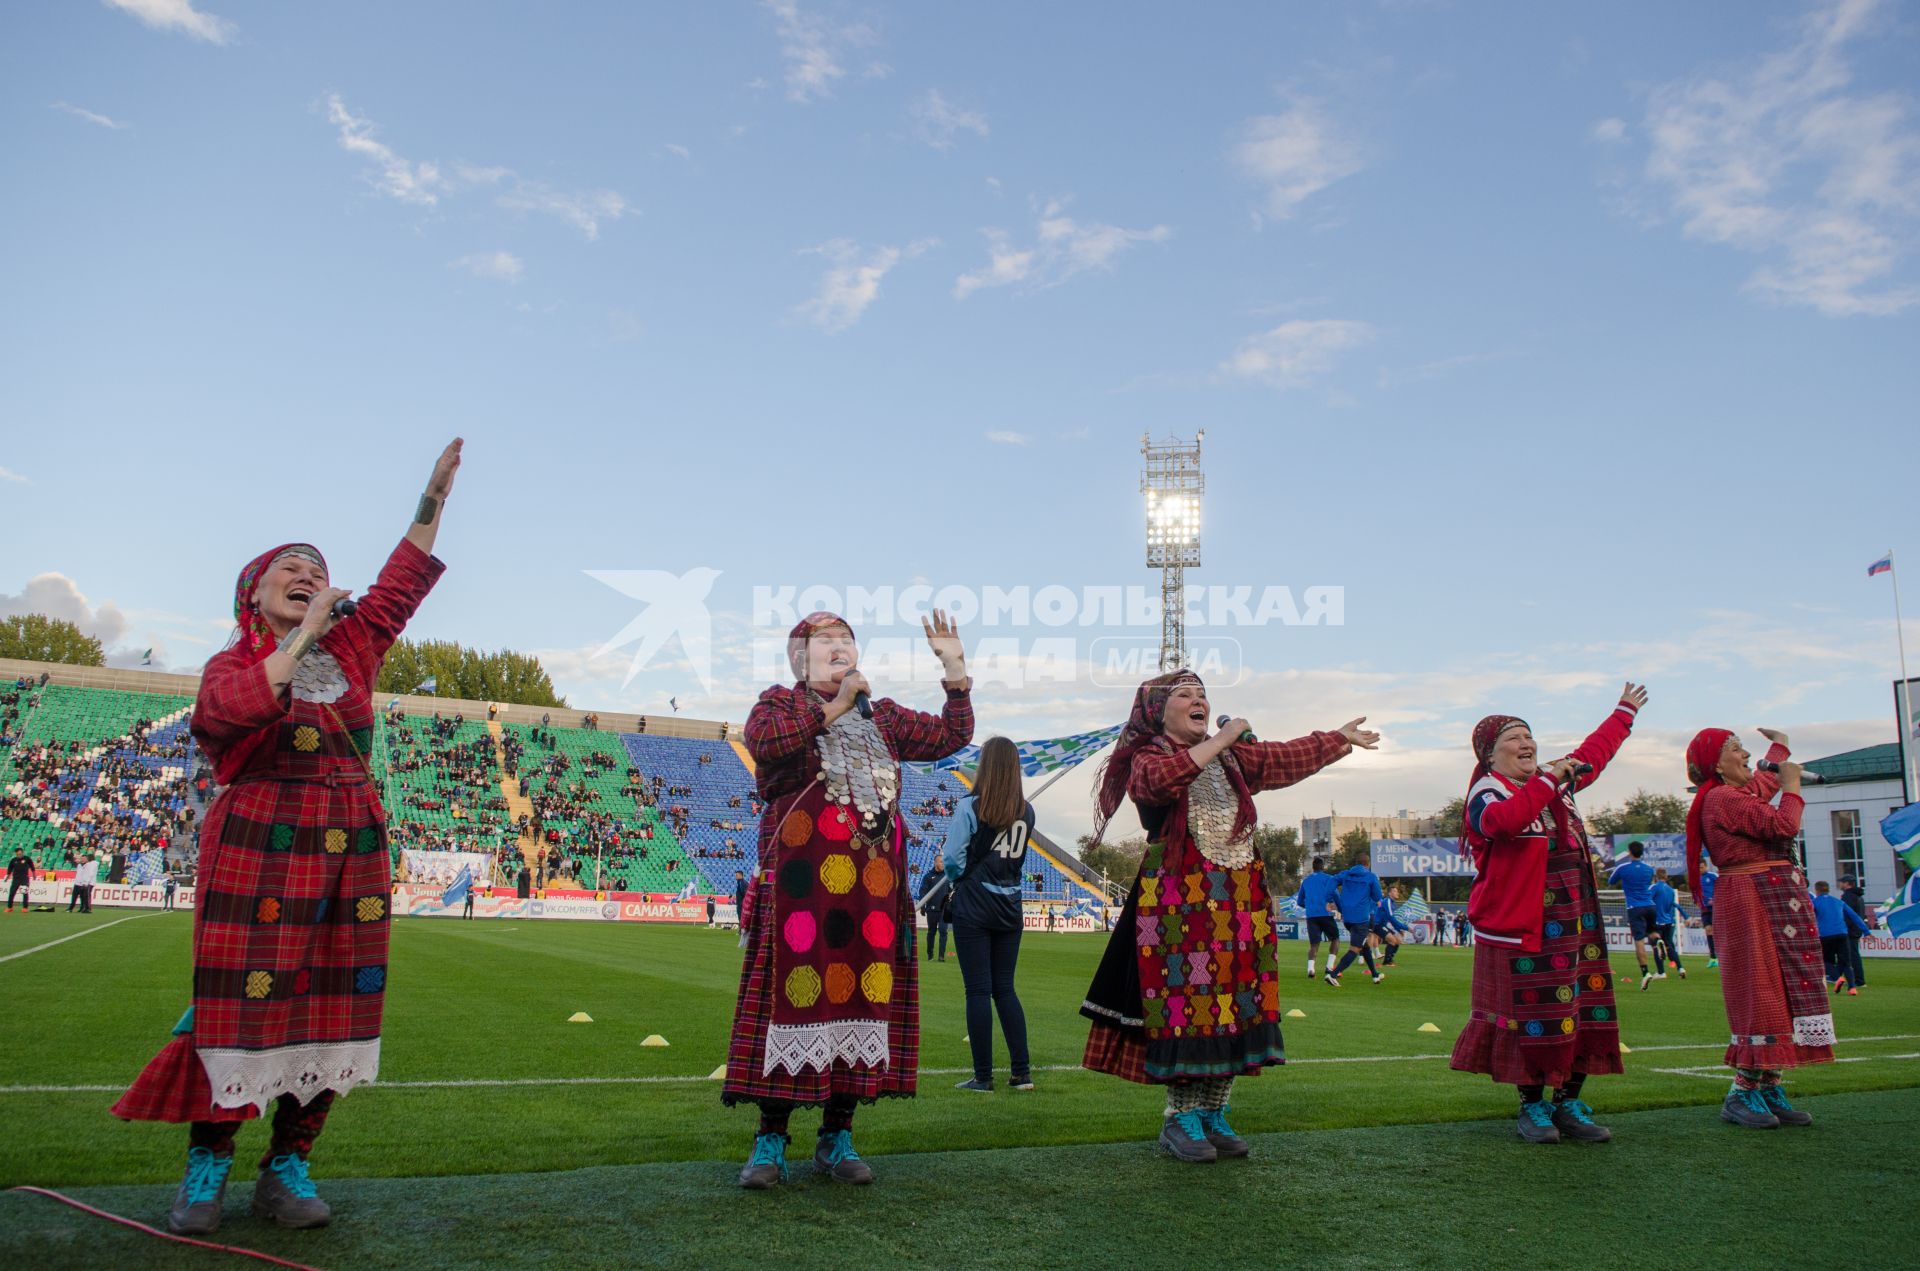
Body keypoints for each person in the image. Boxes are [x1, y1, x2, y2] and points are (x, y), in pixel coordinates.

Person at [113, 438, 462, 1234]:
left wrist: (433, 498)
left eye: (316, 568)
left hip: (350, 841)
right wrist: (300, 636)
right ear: (254, 595)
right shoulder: (228, 664)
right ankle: (209, 1166)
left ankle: (288, 1165)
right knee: (237, 1009)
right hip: (259, 839)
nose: (308, 576)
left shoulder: (355, 646)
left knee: (333, 1005)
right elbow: (225, 719)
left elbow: (401, 582)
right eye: (289, 570)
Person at [1080, 670, 1376, 1164]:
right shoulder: (1149, 756)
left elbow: (1282, 758)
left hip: (1240, 897)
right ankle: (1180, 1117)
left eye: (1202, 695)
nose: (1198, 701)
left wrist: (1337, 739)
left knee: (1238, 1000)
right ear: (1157, 711)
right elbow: (1156, 785)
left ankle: (1216, 1110)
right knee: (1189, 1002)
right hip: (1181, 901)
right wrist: (1222, 737)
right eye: (1185, 696)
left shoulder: (1232, 757)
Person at [725, 610, 972, 1189]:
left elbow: (951, 736)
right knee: (790, 1001)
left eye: (847, 640)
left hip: (872, 894)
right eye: (824, 641)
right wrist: (834, 708)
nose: (839, 647)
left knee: (860, 997)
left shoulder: (882, 716)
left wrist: (954, 666)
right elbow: (766, 744)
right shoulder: (780, 705)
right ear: (798, 659)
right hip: (799, 892)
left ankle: (837, 1136)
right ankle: (770, 1140)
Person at [1449, 684, 1647, 1145]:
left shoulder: (1553, 781)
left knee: (1583, 1009)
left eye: (1530, 736)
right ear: (1489, 755)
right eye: (1514, 739)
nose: (1527, 744)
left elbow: (1594, 752)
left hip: (1576, 915)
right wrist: (1549, 779)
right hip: (1525, 922)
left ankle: (1568, 1103)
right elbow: (1504, 823)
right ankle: (1533, 1106)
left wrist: (1624, 712)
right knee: (1533, 1015)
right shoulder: (1488, 792)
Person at [1684, 726, 1830, 1129]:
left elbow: (1765, 779)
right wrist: (1794, 786)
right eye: (1735, 749)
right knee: (1761, 989)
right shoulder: (1722, 798)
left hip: (1772, 895)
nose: (1746, 754)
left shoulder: (1738, 793)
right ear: (1716, 764)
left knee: (1783, 989)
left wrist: (1779, 746)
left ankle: (1768, 1085)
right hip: (1752, 897)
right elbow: (1783, 825)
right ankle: (1742, 1092)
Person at [941, 736, 1034, 1094]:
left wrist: (958, 878)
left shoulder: (970, 806)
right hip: (1010, 904)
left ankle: (982, 1076)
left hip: (975, 904)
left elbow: (952, 857)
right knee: (1005, 989)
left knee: (978, 990)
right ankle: (1022, 1072)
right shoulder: (1027, 810)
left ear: (985, 767)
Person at [1608, 841, 1660, 990]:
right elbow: (1648, 882)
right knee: (1652, 932)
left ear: (1629, 852)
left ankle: (1645, 972)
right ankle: (1658, 942)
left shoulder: (1623, 868)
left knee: (1639, 941)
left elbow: (1611, 881)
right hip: (1650, 905)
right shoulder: (1649, 869)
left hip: (1634, 907)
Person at [1328, 856, 1385, 985]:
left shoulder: (1346, 874)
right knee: (1355, 948)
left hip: (1347, 917)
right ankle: (1333, 974)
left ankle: (1375, 975)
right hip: (1362, 918)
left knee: (1364, 946)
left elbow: (1332, 881)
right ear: (1368, 865)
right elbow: (1377, 896)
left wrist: (1328, 898)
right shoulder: (1371, 877)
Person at [1810, 880, 1868, 995]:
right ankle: (1852, 988)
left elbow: (1808, 917)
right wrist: (1866, 931)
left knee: (1825, 961)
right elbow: (1854, 916)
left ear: (1816, 890)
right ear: (1828, 890)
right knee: (1846, 962)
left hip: (1826, 935)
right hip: (1842, 934)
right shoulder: (1838, 902)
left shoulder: (1814, 902)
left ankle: (1837, 978)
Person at [1292, 856, 1342, 980]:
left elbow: (1300, 901)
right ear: (1323, 867)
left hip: (1311, 916)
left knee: (1314, 944)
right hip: (1325, 914)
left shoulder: (1306, 881)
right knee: (1335, 939)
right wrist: (1341, 910)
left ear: (1313, 868)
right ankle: (1329, 967)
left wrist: (1309, 906)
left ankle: (1311, 969)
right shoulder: (1329, 879)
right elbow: (1335, 895)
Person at [1648, 868, 1687, 980]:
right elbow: (1671, 906)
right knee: (1669, 946)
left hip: (1657, 922)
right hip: (1668, 922)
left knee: (1656, 946)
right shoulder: (1670, 890)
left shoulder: (1654, 888)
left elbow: (1647, 901)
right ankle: (1680, 968)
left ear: (1656, 876)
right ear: (1666, 877)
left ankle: (1661, 972)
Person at [1838, 874, 1870, 991]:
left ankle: (1858, 980)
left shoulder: (1848, 896)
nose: (1840, 884)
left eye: (1842, 882)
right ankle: (1844, 977)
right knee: (1851, 955)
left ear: (1847, 883)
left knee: (1852, 955)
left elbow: (1847, 915)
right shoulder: (1858, 896)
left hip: (1849, 930)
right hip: (1856, 929)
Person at [918, 864, 952, 962]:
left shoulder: (947, 877)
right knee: (931, 932)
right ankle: (930, 955)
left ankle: (941, 956)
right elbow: (923, 892)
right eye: (940, 861)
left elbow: (951, 891)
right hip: (931, 909)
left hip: (944, 910)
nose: (943, 864)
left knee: (943, 931)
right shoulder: (928, 876)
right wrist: (922, 906)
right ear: (935, 863)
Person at [1375, 883, 1412, 967]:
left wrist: (1399, 930)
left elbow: (1392, 920)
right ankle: (1386, 962)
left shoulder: (1392, 903)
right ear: (1390, 893)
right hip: (1377, 925)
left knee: (1397, 941)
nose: (1397, 893)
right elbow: (1391, 918)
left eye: (1397, 891)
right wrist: (1406, 928)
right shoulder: (1387, 901)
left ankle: (1389, 959)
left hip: (1382, 925)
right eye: (1395, 891)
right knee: (1392, 940)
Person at [1699, 857, 1719, 969]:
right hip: (1705, 909)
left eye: (1702, 867)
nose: (1700, 869)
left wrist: (1715, 899)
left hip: (1715, 907)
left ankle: (1721, 955)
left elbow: (1722, 887)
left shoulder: (1712, 876)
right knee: (1708, 930)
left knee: (1717, 931)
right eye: (1698, 868)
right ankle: (1713, 958)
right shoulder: (1697, 879)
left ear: (1706, 866)